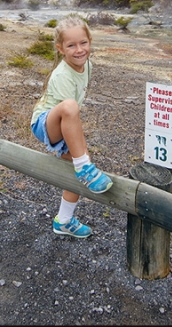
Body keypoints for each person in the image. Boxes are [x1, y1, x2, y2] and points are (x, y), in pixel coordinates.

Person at [30, 15, 113, 239]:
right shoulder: (62, 76)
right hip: (44, 123)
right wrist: (83, 158)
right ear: (60, 48)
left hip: (66, 122)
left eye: (83, 43)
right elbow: (70, 110)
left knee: (77, 172)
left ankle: (63, 221)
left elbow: (73, 117)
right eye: (71, 45)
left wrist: (82, 153)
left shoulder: (88, 66)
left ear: (90, 41)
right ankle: (83, 166)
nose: (79, 50)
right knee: (82, 162)